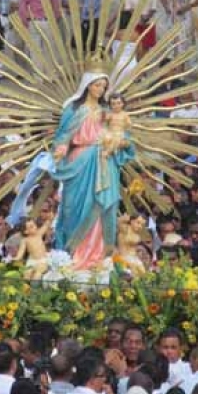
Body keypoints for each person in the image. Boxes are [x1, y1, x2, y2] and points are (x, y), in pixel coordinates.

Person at [51, 72, 134, 271]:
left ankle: (97, 256)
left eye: (104, 86)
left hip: (105, 162)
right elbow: (63, 135)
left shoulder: (108, 111)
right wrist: (61, 148)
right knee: (75, 207)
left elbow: (122, 133)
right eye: (97, 85)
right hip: (80, 160)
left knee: (103, 207)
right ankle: (73, 254)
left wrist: (121, 142)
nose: (101, 90)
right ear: (88, 85)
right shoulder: (74, 109)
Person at [161, 0, 198, 71]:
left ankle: (180, 72)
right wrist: (166, 7)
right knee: (171, 45)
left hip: (184, 19)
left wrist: (186, 7)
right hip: (171, 18)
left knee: (182, 46)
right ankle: (171, 70)